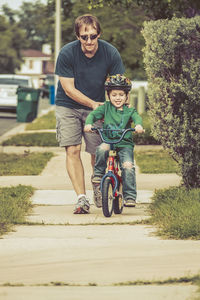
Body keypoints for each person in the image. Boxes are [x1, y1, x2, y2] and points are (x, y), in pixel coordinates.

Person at [55, 14, 125, 214]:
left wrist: (116, 108)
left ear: (99, 34)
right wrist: (94, 103)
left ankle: (99, 186)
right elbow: (68, 89)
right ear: (78, 36)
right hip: (67, 106)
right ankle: (81, 198)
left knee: (98, 152)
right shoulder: (67, 53)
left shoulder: (110, 53)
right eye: (84, 37)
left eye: (93, 36)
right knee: (73, 150)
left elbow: (119, 84)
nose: (89, 41)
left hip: (96, 108)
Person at [84, 74, 144, 207]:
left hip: (124, 144)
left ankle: (129, 196)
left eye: (121, 95)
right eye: (114, 95)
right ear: (108, 95)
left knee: (128, 166)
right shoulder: (105, 107)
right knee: (101, 148)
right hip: (109, 141)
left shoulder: (130, 110)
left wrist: (138, 125)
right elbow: (93, 115)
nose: (118, 98)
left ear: (127, 96)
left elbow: (137, 118)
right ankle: (98, 175)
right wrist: (89, 124)